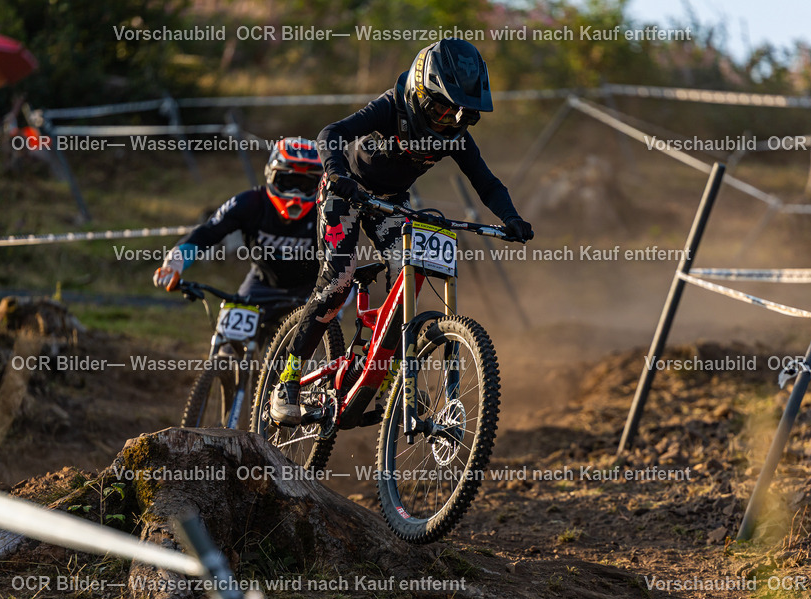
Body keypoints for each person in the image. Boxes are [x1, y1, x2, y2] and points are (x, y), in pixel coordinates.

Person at [269, 39, 532, 426]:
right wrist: (338, 174)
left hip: (390, 202)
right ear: (420, 94)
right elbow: (331, 134)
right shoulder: (389, 107)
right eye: (441, 108)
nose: (448, 120)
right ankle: (287, 383)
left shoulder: (454, 132)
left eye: (460, 114)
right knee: (338, 282)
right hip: (346, 192)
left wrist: (511, 218)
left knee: (407, 281)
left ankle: (389, 374)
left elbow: (487, 183)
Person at [153, 137, 324, 324]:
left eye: (306, 184)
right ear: (270, 176)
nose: (296, 193)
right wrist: (174, 262)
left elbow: (347, 253)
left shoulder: (326, 210)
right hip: (261, 283)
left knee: (320, 342)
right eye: (288, 181)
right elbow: (208, 232)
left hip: (312, 289)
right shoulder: (250, 203)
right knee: (228, 342)